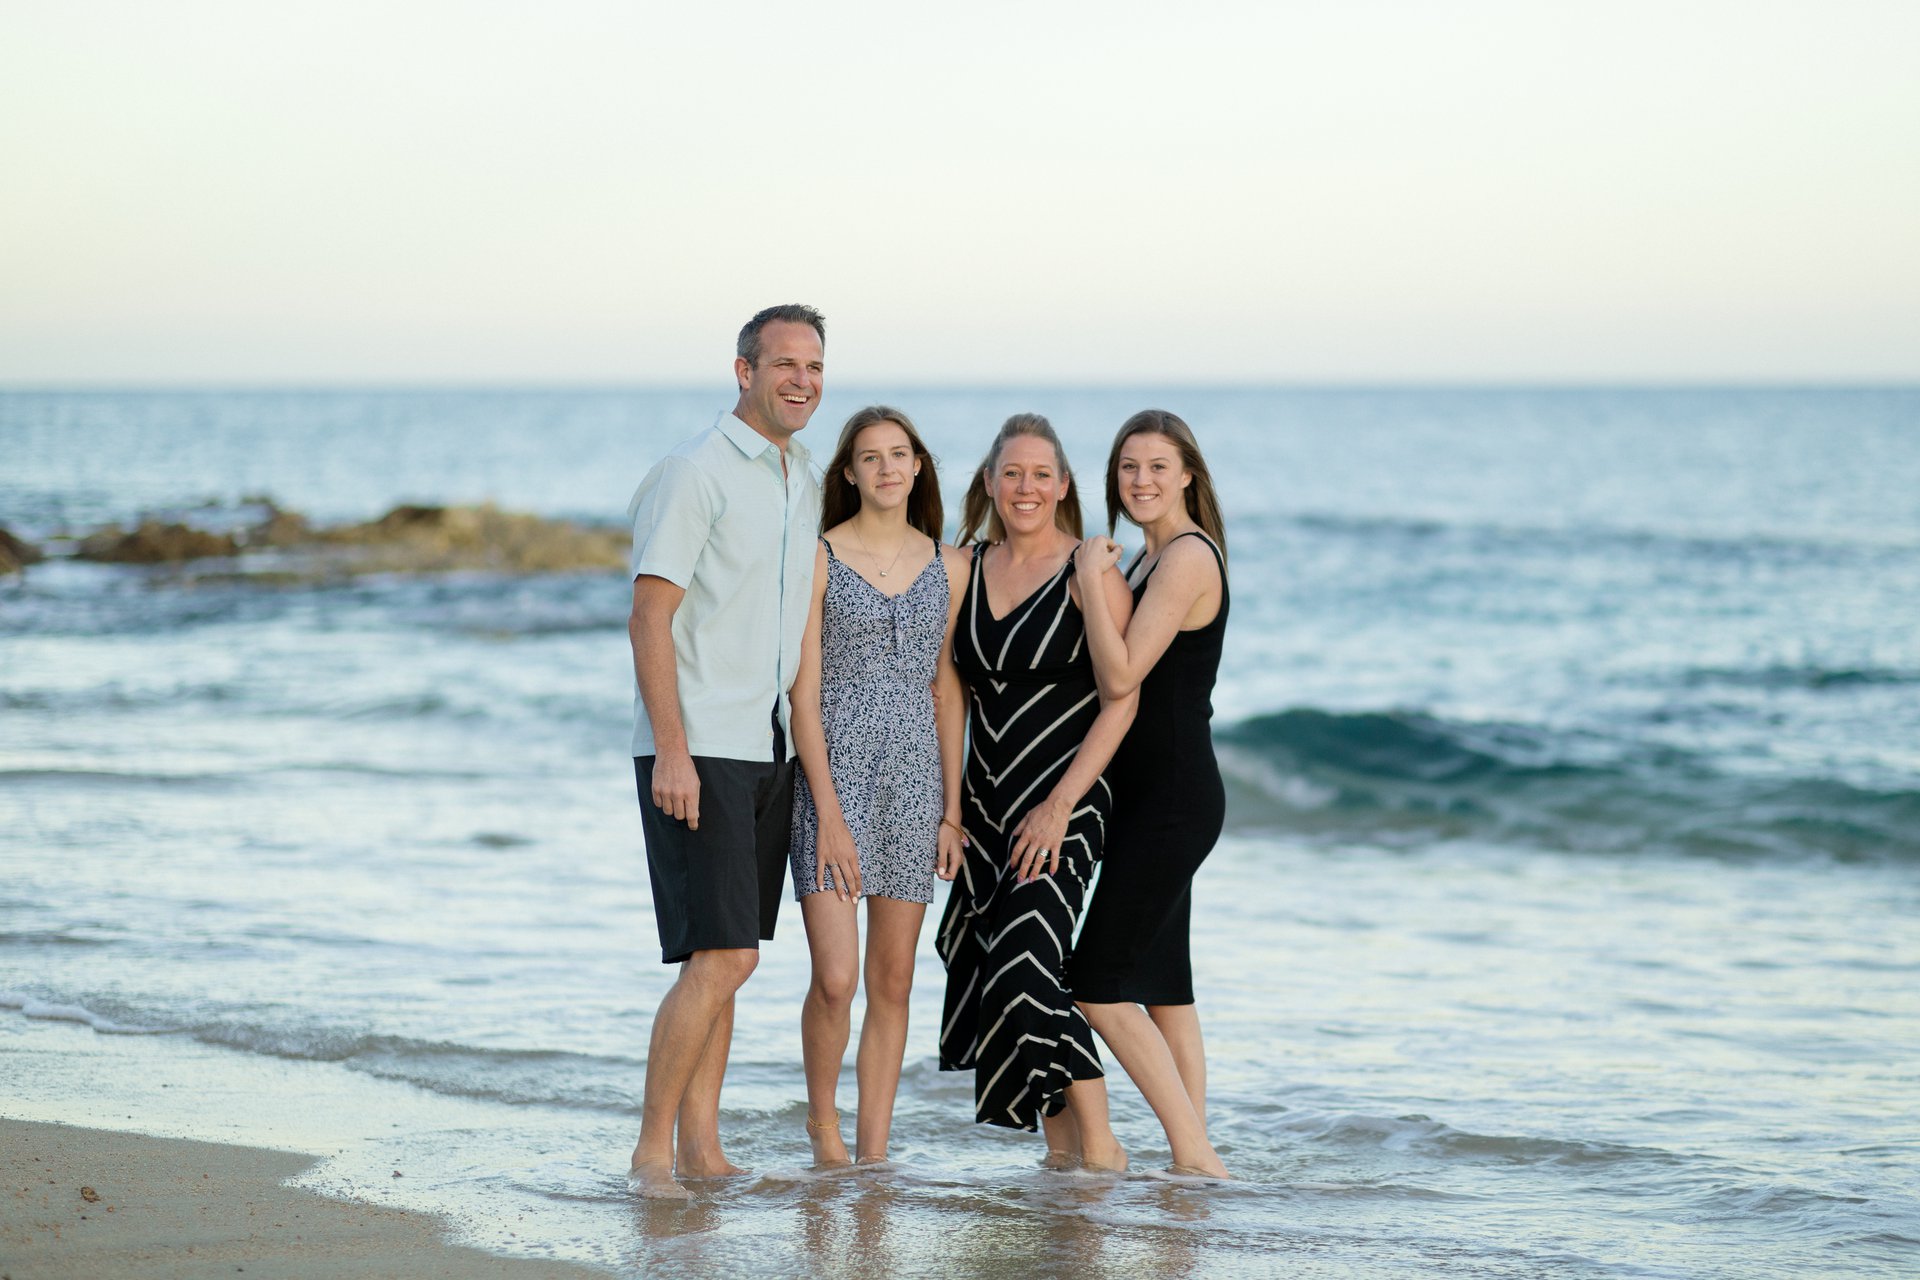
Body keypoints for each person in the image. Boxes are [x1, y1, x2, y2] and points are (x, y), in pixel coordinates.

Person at [624, 304, 826, 1200]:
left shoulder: (803, 474)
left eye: (815, 367)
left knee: (733, 951)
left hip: (765, 745)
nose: (801, 381)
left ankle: (704, 1150)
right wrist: (672, 749)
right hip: (697, 744)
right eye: (784, 363)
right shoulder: (694, 472)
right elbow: (650, 614)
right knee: (722, 958)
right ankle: (651, 1156)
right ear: (743, 371)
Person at [936, 412, 1137, 1169]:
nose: (1026, 488)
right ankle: (1062, 1156)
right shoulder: (967, 566)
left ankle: (1104, 1146)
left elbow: (1124, 700)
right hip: (986, 801)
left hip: (1065, 802)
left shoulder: (1090, 572)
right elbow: (948, 690)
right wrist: (951, 810)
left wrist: (1059, 807)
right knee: (999, 967)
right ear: (989, 483)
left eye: (1041, 475)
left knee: (1025, 967)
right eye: (1011, 473)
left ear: (1063, 487)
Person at [788, 405, 971, 1167]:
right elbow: (801, 694)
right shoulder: (818, 556)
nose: (888, 468)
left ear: (919, 466)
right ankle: (824, 1126)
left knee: (892, 982)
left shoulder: (952, 564)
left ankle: (873, 1157)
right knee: (835, 980)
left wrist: (952, 813)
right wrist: (827, 814)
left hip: (915, 783)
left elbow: (947, 688)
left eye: (900, 454)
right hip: (833, 776)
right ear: (850, 473)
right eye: (871, 457)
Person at [1069, 408, 1232, 1179]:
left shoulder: (1188, 558)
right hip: (1147, 797)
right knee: (1166, 987)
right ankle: (1192, 1162)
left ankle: (1196, 1159)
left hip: (1173, 796)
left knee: (1095, 984)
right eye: (1128, 468)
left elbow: (1122, 675)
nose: (1140, 481)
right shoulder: (1143, 556)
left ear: (1188, 475)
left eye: (1157, 467)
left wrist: (1087, 584)